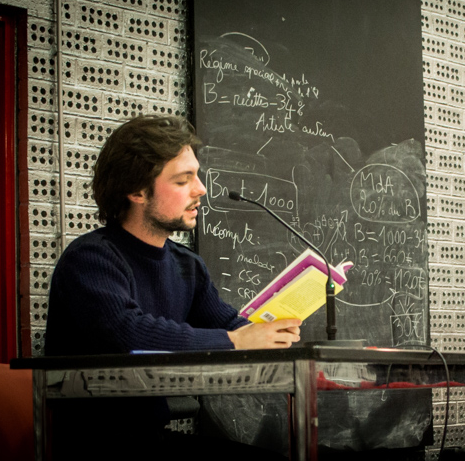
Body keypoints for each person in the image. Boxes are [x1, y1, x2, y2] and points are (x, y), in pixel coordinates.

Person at [44, 115, 300, 460]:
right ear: (137, 191)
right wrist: (237, 341)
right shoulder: (90, 259)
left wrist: (271, 333)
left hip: (153, 440)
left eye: (197, 176)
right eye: (183, 180)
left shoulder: (187, 265)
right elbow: (128, 334)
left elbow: (229, 325)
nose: (201, 189)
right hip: (94, 448)